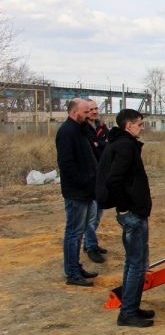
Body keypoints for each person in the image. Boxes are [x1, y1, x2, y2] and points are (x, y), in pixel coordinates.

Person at [96, 109, 155, 327]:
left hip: (135, 212)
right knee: (137, 265)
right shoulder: (125, 146)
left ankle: (131, 307)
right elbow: (114, 180)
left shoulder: (122, 144)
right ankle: (128, 313)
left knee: (134, 263)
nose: (142, 127)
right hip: (133, 214)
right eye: (139, 124)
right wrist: (125, 207)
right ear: (128, 126)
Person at [56, 98, 100, 286]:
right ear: (74, 112)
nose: (89, 114)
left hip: (86, 191)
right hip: (76, 193)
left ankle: (76, 266)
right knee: (73, 233)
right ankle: (72, 273)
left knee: (78, 232)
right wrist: (84, 181)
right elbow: (66, 164)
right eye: (85, 111)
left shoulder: (81, 130)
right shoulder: (67, 132)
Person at [83, 99, 110, 263]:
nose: (94, 111)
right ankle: (91, 246)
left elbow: (109, 145)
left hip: (102, 174)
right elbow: (91, 148)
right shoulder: (82, 129)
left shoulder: (101, 126)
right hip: (91, 176)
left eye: (95, 108)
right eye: (90, 109)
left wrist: (98, 144)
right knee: (91, 215)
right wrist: (101, 144)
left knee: (98, 212)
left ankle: (89, 242)